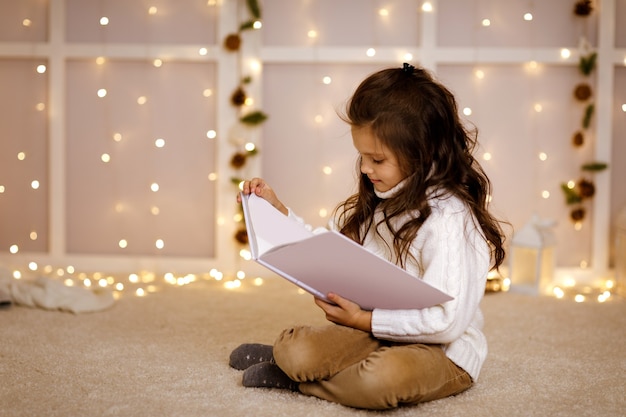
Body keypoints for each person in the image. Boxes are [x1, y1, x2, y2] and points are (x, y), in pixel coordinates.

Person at [229, 63, 506, 410]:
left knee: (379, 381)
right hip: (374, 334)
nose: (364, 168)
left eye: (377, 159)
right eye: (361, 156)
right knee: (295, 348)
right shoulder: (382, 197)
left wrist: (364, 319)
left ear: (422, 154)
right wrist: (275, 210)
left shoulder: (449, 221)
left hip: (441, 350)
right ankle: (291, 363)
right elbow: (326, 248)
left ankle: (299, 383)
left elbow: (446, 323)